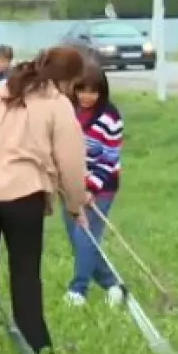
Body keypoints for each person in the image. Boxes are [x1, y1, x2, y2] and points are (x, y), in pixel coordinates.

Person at [0, 46, 89, 354]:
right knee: (25, 271)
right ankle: (35, 345)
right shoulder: (56, 103)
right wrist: (75, 203)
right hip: (21, 192)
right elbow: (71, 161)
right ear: (69, 79)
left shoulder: (2, 88)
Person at [63, 65, 124, 307]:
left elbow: (110, 158)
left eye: (93, 92)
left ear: (102, 92)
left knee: (85, 235)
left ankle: (78, 290)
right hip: (70, 185)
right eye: (82, 91)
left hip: (102, 187)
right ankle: (113, 285)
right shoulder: (68, 111)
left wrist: (91, 189)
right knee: (77, 240)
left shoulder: (111, 116)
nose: (87, 97)